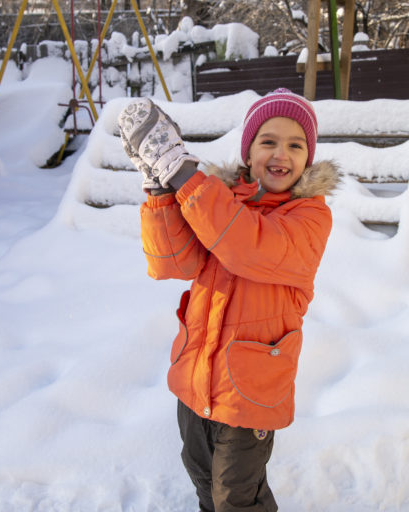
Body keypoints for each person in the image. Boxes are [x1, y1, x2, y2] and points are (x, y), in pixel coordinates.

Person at [117, 88, 338, 512]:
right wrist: (160, 190)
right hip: (197, 373)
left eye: (296, 145)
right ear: (248, 152)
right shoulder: (219, 201)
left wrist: (181, 172)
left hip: (250, 389)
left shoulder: (308, 217)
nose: (281, 153)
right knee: (202, 476)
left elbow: (248, 246)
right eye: (268, 141)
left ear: (308, 158)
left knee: (236, 496)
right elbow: (172, 263)